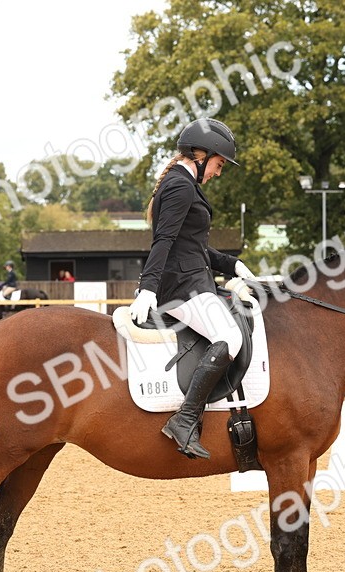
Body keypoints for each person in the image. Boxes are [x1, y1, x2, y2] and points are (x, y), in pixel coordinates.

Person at [128, 118, 255, 459]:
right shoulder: (180, 186)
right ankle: (185, 420)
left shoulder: (183, 183)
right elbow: (164, 240)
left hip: (195, 280)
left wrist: (232, 264)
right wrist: (148, 288)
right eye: (218, 164)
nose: (218, 172)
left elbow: (193, 246)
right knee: (229, 338)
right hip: (184, 288)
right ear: (202, 155)